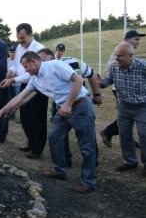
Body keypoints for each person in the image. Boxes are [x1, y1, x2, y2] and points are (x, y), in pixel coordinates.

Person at [0, 51, 97, 193]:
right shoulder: (35, 79)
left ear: (34, 62)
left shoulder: (55, 65)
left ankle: (88, 182)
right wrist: (1, 112)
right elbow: (19, 97)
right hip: (63, 109)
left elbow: (78, 80)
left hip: (80, 106)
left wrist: (68, 103)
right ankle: (59, 171)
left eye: (26, 66)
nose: (25, 70)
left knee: (86, 145)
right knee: (54, 137)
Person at [37, 48, 102, 168]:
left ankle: (92, 163)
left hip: (80, 103)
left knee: (86, 136)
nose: (41, 65)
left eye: (43, 61)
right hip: (61, 104)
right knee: (58, 135)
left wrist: (96, 94)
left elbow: (91, 75)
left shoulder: (73, 62)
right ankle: (65, 160)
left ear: (52, 58)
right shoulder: (43, 71)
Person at [2, 23, 48, 158]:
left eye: (23, 38)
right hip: (24, 84)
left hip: (39, 87)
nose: (20, 41)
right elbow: (17, 65)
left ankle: (37, 149)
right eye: (18, 38)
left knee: (37, 118)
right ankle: (31, 142)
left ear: (30, 35)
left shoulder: (39, 49)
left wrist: (14, 80)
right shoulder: (19, 47)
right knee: (25, 116)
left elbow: (32, 72)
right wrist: (11, 71)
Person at [100, 43, 146, 176]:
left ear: (130, 56)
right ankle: (130, 161)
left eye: (119, 56)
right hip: (124, 107)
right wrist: (101, 83)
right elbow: (108, 80)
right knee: (124, 135)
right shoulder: (114, 66)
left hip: (142, 107)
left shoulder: (142, 66)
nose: (116, 58)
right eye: (115, 55)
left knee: (144, 134)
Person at [100, 30, 144, 147]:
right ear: (127, 40)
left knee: (129, 116)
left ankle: (127, 137)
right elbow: (109, 72)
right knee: (127, 115)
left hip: (130, 89)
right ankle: (108, 132)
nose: (138, 42)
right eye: (136, 39)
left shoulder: (128, 52)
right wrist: (102, 82)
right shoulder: (120, 51)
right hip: (119, 87)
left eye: (139, 39)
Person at [6, 45, 20, 120]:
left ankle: (14, 113)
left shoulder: (18, 60)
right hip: (9, 82)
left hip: (17, 83)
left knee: (17, 98)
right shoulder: (7, 60)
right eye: (10, 52)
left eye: (13, 52)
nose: (12, 53)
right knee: (9, 98)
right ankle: (10, 113)